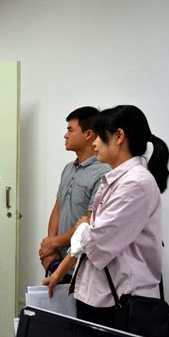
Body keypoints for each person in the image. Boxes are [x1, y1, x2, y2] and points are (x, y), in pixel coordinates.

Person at [67, 105, 169, 328]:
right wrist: (87, 227)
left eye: (98, 136)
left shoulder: (136, 183)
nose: (94, 143)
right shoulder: (118, 179)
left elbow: (97, 243)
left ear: (119, 136)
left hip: (119, 301)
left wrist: (83, 226)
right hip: (103, 295)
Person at [39, 107, 110, 290]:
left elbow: (91, 222)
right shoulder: (68, 168)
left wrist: (53, 242)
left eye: (70, 130)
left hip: (83, 266)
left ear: (88, 134)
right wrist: (51, 249)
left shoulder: (104, 172)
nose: (65, 135)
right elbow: (58, 208)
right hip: (57, 260)